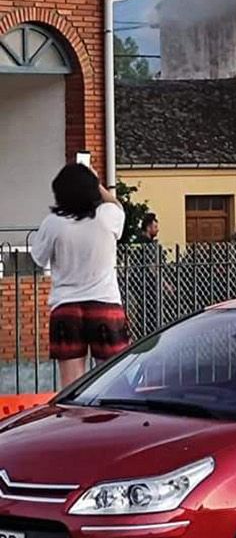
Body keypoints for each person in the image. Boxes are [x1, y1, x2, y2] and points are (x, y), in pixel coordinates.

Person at [30, 163, 129, 387]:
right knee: (111, 381)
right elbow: (117, 206)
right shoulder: (108, 216)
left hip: (66, 307)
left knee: (71, 384)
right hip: (105, 304)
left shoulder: (52, 223)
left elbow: (38, 258)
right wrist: (98, 183)